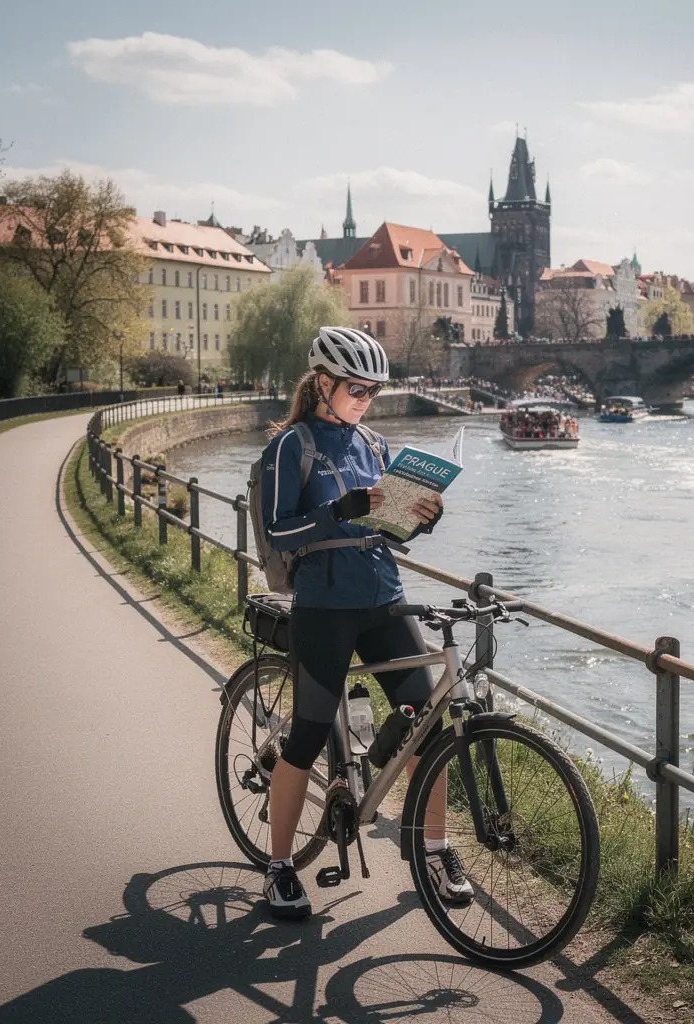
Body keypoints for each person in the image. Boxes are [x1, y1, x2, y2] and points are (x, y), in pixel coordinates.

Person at [259, 326, 473, 920]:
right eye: (356, 388)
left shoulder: (375, 445)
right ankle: (278, 867)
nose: (364, 399)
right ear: (322, 382)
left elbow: (388, 530)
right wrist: (344, 509)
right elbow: (279, 532)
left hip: (382, 596)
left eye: (373, 390)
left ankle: (434, 850)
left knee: (428, 724)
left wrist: (420, 515)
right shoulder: (292, 446)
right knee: (306, 735)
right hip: (323, 607)